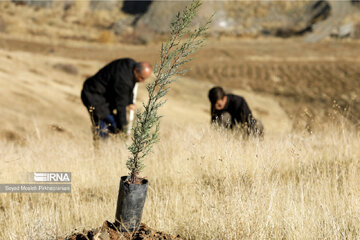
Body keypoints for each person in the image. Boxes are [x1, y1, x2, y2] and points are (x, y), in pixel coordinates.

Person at [81, 58, 152, 139]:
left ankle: (106, 144)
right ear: (136, 70)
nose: (143, 81)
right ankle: (101, 147)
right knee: (109, 124)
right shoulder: (123, 80)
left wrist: (130, 102)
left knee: (113, 124)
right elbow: (121, 106)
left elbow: (130, 87)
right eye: (142, 78)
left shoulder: (129, 64)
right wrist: (124, 129)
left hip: (103, 97)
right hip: (93, 96)